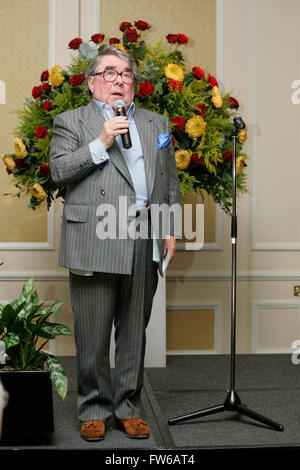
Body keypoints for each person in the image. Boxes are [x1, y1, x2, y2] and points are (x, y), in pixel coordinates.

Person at [50, 45, 181, 441]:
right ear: (92, 83)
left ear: (134, 84)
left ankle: (127, 406)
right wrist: (100, 143)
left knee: (133, 331)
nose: (119, 79)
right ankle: (93, 407)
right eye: (109, 72)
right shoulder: (71, 121)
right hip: (96, 233)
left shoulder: (157, 122)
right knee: (91, 332)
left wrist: (169, 225)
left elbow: (169, 180)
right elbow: (58, 171)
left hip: (144, 232)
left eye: (126, 73)